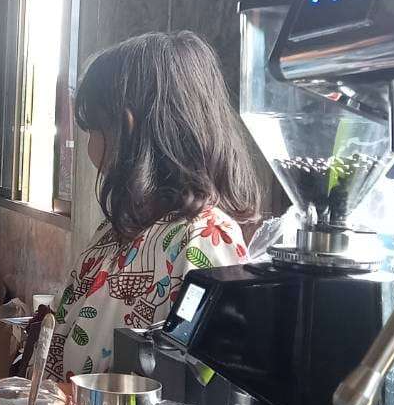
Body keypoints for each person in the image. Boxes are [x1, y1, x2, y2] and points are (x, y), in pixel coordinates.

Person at [47, 31, 259, 381]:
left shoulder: (205, 241)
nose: (89, 149)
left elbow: (205, 388)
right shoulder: (116, 233)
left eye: (93, 131)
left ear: (127, 129)